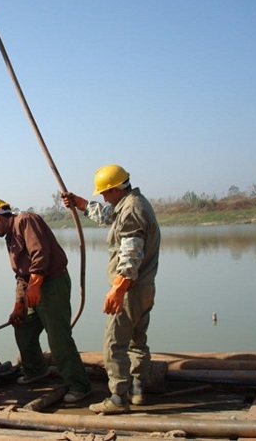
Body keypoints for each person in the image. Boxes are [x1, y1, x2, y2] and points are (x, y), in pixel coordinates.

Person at [62, 164, 160, 414]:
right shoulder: (133, 203)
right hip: (144, 288)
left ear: (117, 189)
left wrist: (118, 289)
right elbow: (108, 217)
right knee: (138, 342)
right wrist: (81, 204)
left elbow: (131, 254)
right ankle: (138, 391)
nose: (104, 197)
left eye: (105, 193)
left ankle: (118, 399)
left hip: (130, 289)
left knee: (114, 344)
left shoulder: (131, 211)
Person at [0, 199, 92, 404]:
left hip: (51, 285)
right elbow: (21, 276)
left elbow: (40, 252)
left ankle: (79, 386)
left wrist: (36, 284)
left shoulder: (25, 220)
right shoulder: (10, 238)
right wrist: (18, 306)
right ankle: (37, 370)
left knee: (58, 338)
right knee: (23, 326)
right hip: (34, 285)